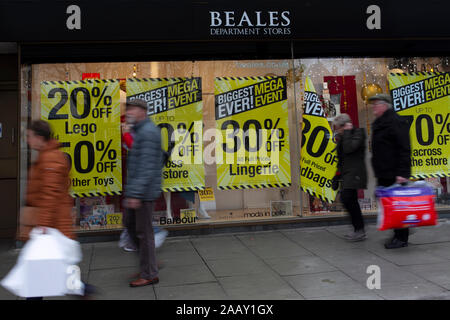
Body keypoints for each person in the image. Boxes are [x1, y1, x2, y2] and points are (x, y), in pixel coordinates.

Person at [24, 120, 96, 299]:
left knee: (41, 274)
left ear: (40, 138)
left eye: (29, 136)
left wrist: (42, 225)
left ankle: (83, 290)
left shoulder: (51, 158)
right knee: (49, 272)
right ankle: (82, 290)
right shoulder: (45, 156)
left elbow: (50, 195)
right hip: (50, 225)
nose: (27, 140)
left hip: (51, 226)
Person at [124, 98, 164, 287]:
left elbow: (146, 167)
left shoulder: (147, 133)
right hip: (139, 190)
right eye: (128, 109)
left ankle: (149, 273)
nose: (129, 113)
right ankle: (149, 263)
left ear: (142, 111)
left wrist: (135, 194)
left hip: (143, 193)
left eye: (132, 109)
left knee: (143, 232)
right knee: (131, 226)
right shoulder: (139, 131)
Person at [369, 93, 412, 249]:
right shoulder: (380, 122)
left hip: (394, 173)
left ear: (384, 105)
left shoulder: (395, 122)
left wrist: (402, 173)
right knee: (389, 205)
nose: (373, 106)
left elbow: (404, 149)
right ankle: (398, 233)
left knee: (396, 207)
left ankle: (402, 238)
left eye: (376, 104)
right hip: (384, 173)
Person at [121, 121, 168, 252]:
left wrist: (125, 134)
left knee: (139, 218)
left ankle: (151, 238)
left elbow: (136, 148)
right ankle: (142, 244)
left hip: (143, 185)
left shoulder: (144, 132)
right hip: (141, 183)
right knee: (136, 218)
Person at [332, 113, 368, 241]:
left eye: (337, 128)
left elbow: (349, 148)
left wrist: (347, 132)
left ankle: (359, 229)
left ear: (344, 126)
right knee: (349, 200)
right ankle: (358, 229)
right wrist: (336, 176)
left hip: (355, 173)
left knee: (347, 198)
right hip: (347, 173)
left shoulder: (358, 133)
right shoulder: (343, 137)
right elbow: (341, 158)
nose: (336, 131)